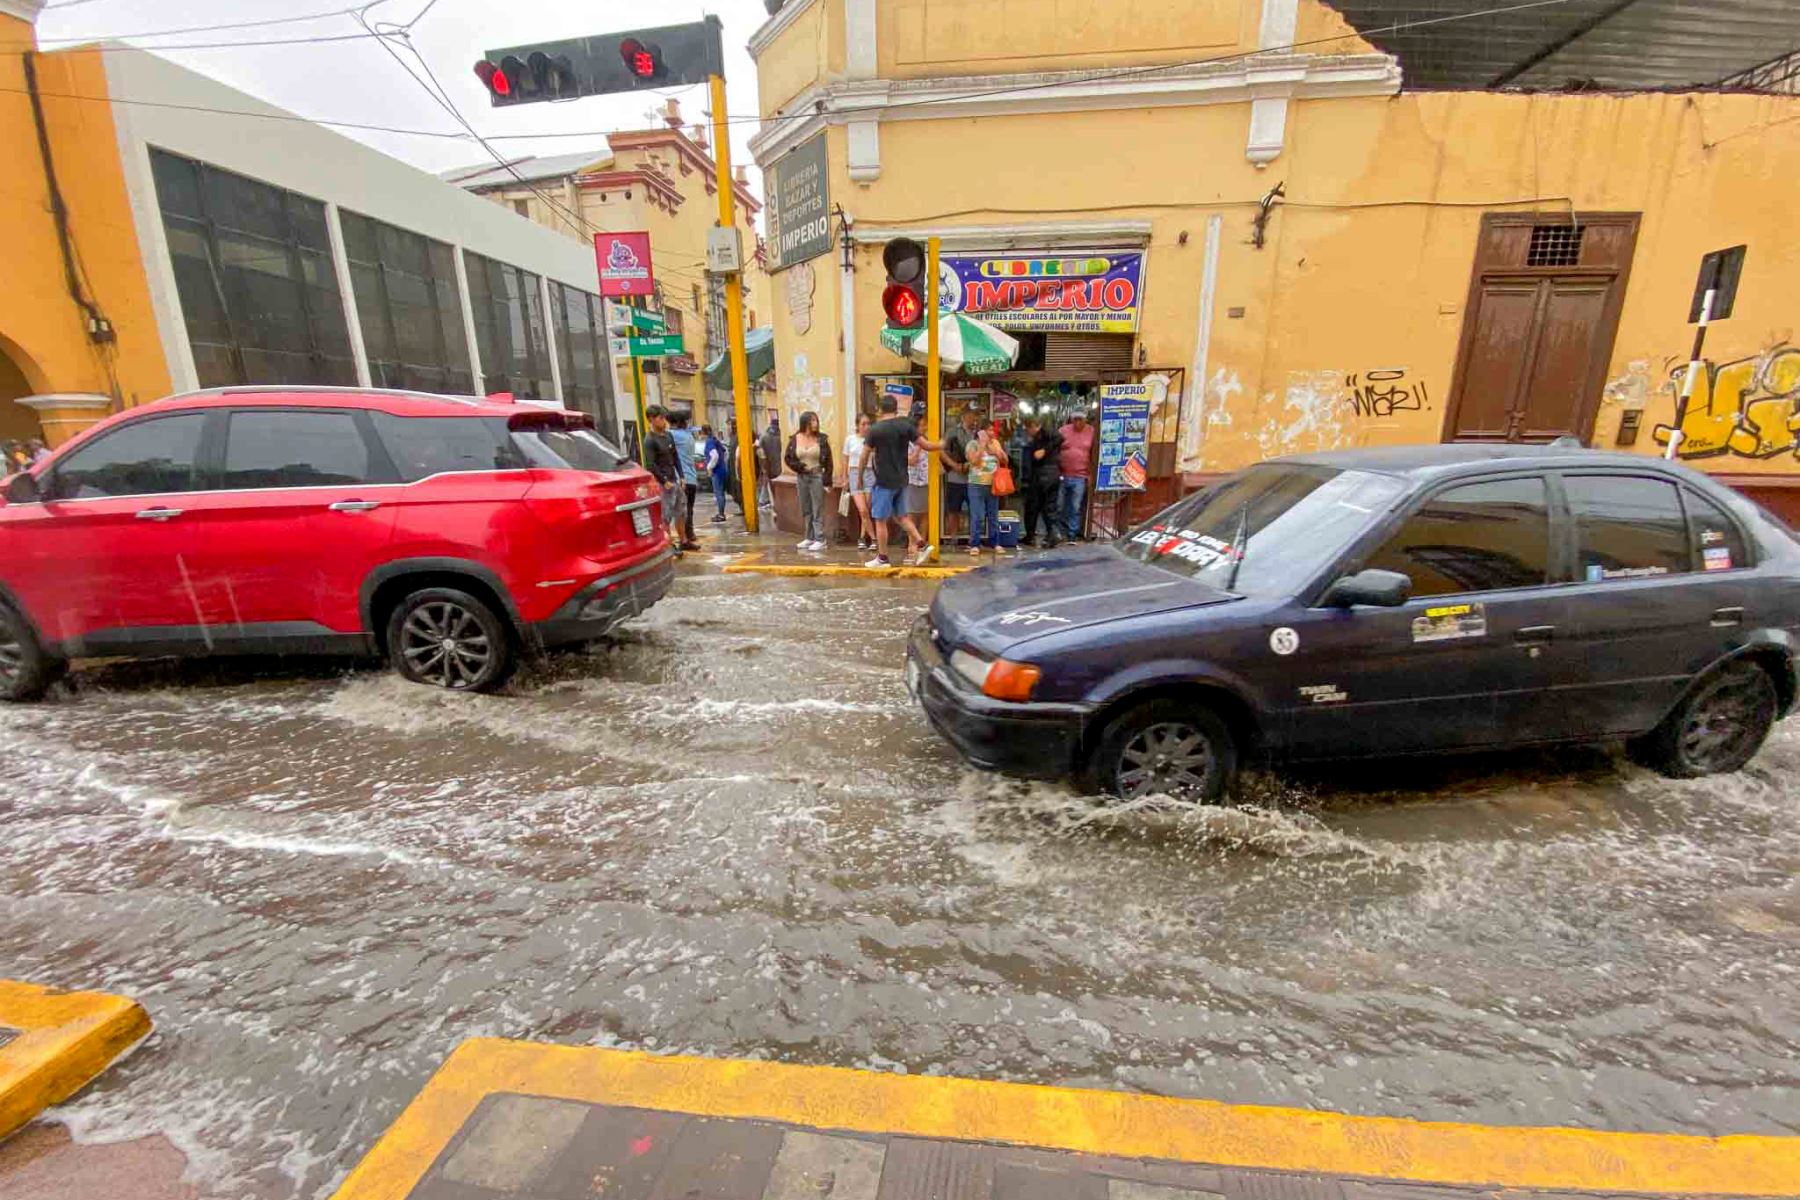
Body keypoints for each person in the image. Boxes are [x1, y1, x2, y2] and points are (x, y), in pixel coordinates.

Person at [855, 393, 941, 568]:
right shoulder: (905, 426)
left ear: (880, 409)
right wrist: (942, 444)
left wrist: (859, 478)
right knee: (902, 516)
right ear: (896, 409)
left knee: (880, 520)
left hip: (884, 481)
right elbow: (925, 445)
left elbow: (864, 456)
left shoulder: (876, 430)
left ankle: (883, 558)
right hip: (902, 479)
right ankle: (922, 545)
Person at [784, 410, 834, 551]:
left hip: (817, 476)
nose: (815, 423)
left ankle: (820, 538)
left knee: (817, 507)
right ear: (805, 422)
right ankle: (809, 537)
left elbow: (829, 461)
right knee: (806, 507)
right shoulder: (795, 438)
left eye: (816, 421)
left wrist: (828, 481)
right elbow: (788, 458)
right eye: (812, 421)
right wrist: (799, 467)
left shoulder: (822, 439)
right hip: (802, 477)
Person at [642, 406, 685, 554]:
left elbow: (675, 457)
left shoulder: (668, 436)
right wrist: (664, 480)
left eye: (664, 418)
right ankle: (669, 545)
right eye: (660, 418)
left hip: (674, 479)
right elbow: (650, 464)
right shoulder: (650, 440)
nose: (663, 421)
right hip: (663, 483)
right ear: (651, 419)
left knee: (680, 511)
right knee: (665, 516)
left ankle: (683, 540)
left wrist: (682, 476)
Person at [964, 427, 1009, 557]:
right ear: (981, 432)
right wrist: (982, 446)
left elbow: (1005, 461)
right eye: (988, 430)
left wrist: (999, 453)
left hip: (993, 484)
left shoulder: (995, 443)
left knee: (993, 515)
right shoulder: (972, 444)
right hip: (976, 484)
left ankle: (995, 542)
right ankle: (975, 544)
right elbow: (974, 461)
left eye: (992, 430)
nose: (992, 433)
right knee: (977, 515)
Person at [1021, 416, 1063, 548]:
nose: (1027, 432)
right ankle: (1044, 534)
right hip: (1046, 475)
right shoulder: (1037, 439)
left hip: (1044, 476)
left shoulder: (1046, 434)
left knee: (1041, 507)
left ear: (1033, 426)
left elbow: (1059, 438)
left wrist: (1044, 451)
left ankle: (1050, 534)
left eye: (1028, 429)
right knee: (1042, 507)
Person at [941, 407, 980, 547]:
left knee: (975, 510)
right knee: (953, 509)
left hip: (975, 478)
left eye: (975, 415)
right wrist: (953, 465)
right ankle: (953, 538)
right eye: (970, 415)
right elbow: (942, 451)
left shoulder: (979, 433)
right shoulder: (952, 432)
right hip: (955, 477)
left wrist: (970, 465)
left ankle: (973, 538)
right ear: (963, 416)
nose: (973, 418)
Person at [1057, 409, 1096, 542]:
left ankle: (1072, 533)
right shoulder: (1063, 431)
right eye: (1075, 419)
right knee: (1059, 505)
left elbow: (1094, 454)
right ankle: (1060, 531)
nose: (1078, 422)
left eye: (1081, 419)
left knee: (1075, 506)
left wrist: (1091, 474)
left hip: (1081, 475)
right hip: (1062, 474)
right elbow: (1055, 449)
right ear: (1071, 420)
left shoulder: (1091, 432)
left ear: (1085, 420)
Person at [840, 412, 876, 552]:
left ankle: (862, 537)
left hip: (869, 473)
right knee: (862, 509)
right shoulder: (850, 439)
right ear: (857, 426)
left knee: (866, 509)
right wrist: (845, 477)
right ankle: (873, 538)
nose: (866, 427)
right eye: (863, 424)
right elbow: (845, 459)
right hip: (854, 473)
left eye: (868, 424)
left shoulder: (872, 439)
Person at [668, 411, 702, 551]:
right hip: (692, 477)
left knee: (680, 510)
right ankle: (690, 533)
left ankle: (686, 536)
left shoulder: (674, 435)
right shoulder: (688, 435)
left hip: (681, 478)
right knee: (689, 508)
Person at [700, 425, 730, 523]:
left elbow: (714, 455)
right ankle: (721, 513)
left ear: (703, 433)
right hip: (722, 468)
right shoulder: (715, 440)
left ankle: (721, 514)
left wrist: (709, 467)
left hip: (716, 470)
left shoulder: (709, 442)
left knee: (718, 493)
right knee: (720, 492)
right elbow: (724, 452)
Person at [758, 418, 782, 512]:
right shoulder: (781, 435)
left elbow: (760, 451)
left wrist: (763, 466)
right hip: (779, 465)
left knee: (768, 483)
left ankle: (767, 501)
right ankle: (775, 502)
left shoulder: (764, 436)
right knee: (776, 485)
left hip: (768, 464)